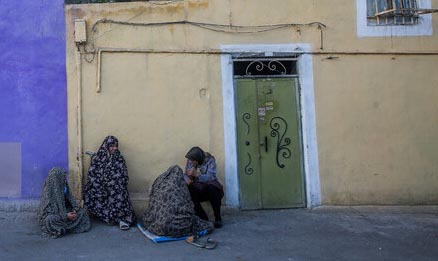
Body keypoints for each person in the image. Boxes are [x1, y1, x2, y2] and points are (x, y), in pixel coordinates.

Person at [142, 165, 214, 237]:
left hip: (159, 225)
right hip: (175, 226)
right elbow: (188, 202)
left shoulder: (161, 183)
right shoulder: (180, 186)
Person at [83, 136, 136, 230]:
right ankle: (108, 217)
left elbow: (123, 173)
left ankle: (122, 220)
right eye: (112, 146)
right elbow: (92, 174)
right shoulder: (99, 158)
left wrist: (115, 181)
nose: (114, 148)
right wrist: (103, 181)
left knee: (119, 191)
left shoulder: (119, 158)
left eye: (116, 146)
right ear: (106, 146)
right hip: (101, 184)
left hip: (115, 185)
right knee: (91, 190)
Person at [37, 167, 91, 238]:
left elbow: (70, 198)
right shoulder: (47, 194)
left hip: (65, 210)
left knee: (82, 213)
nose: (64, 179)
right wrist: (66, 216)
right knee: (49, 220)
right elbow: (46, 214)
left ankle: (66, 226)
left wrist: (75, 209)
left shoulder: (64, 186)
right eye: (62, 177)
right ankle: (65, 226)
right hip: (56, 216)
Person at [184, 146, 224, 228]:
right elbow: (186, 173)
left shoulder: (210, 160)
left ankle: (218, 218)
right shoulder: (191, 160)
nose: (191, 162)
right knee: (190, 190)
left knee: (213, 189)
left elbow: (211, 176)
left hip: (208, 187)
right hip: (197, 187)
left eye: (193, 160)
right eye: (191, 160)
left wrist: (196, 175)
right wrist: (188, 179)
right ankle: (203, 218)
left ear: (198, 157)